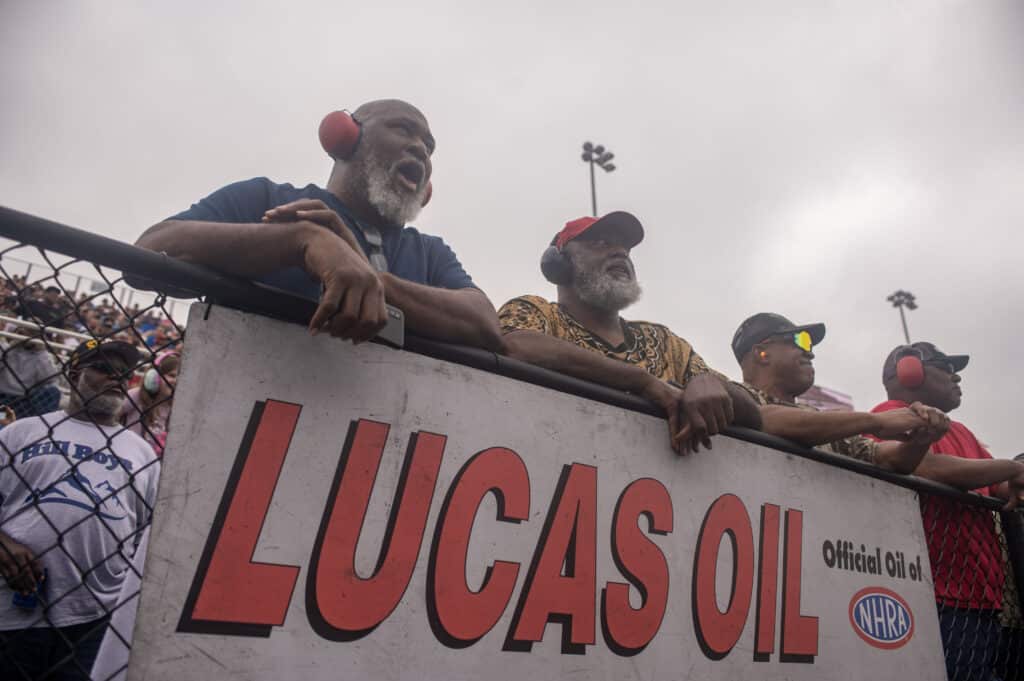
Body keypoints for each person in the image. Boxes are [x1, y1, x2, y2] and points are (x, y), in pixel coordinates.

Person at [134, 99, 501, 350]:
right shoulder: (266, 199)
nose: (421, 148)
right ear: (344, 135)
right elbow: (147, 253)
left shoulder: (430, 252)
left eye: (429, 145)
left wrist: (376, 280)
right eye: (404, 129)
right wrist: (299, 241)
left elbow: (485, 324)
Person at [499, 212, 761, 454]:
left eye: (625, 248)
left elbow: (755, 414)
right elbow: (517, 345)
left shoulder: (665, 342)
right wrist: (642, 382)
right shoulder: (537, 311)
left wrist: (713, 384)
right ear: (558, 264)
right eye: (601, 243)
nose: (620, 253)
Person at [0, 339, 159, 680]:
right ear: (75, 374)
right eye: (104, 369)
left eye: (126, 373)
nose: (117, 378)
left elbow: (148, 534)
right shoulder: (22, 433)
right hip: (12, 606)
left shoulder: (142, 453)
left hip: (95, 615)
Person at [872, 342, 1024, 681]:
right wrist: (1007, 469)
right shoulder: (889, 412)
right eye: (946, 366)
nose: (956, 377)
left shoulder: (962, 432)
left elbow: (994, 482)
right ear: (909, 370)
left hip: (984, 599)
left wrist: (1014, 477)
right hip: (935, 595)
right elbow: (929, 468)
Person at [731, 313, 949, 473]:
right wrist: (877, 421)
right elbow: (763, 419)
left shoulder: (821, 419)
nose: (810, 353)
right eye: (801, 341)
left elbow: (887, 459)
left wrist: (920, 439)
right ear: (762, 353)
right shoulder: (733, 395)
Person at [120, 350, 180, 456]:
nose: (176, 381)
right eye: (171, 375)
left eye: (180, 377)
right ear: (153, 377)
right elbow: (112, 415)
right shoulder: (137, 396)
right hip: (129, 454)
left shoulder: (176, 407)